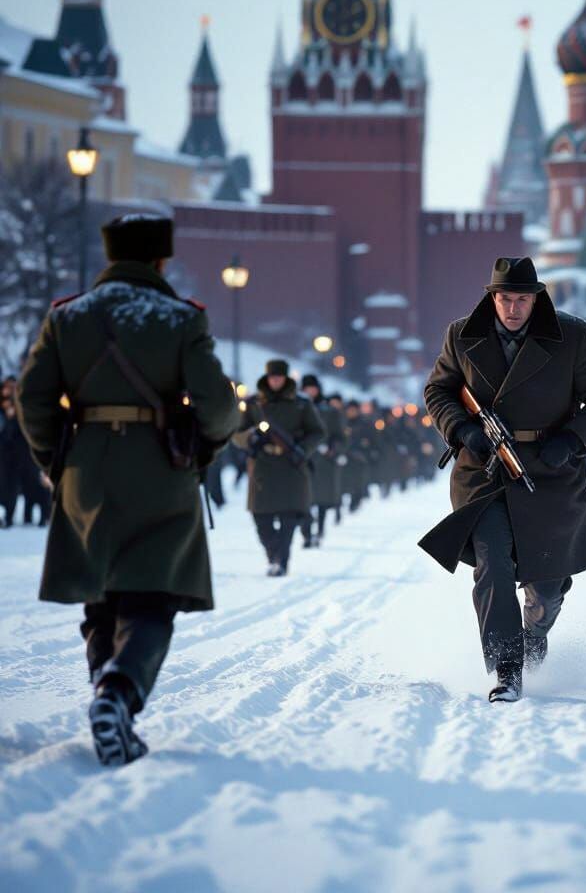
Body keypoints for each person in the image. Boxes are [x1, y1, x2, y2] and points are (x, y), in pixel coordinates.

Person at [15, 213, 239, 765]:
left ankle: (105, 690)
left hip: (85, 470)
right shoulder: (180, 318)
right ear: (161, 260)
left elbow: (31, 398)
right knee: (153, 594)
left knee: (101, 593)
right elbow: (218, 407)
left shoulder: (67, 317)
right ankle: (118, 693)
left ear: (111, 256)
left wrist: (57, 459)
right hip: (160, 468)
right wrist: (201, 452)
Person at [421, 256, 586, 703]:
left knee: (547, 587)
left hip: (550, 472)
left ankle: (534, 633)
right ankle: (507, 669)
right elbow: (438, 390)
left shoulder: (573, 336)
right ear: (492, 298)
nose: (513, 309)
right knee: (493, 565)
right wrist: (462, 429)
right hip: (484, 471)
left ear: (537, 299)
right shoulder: (462, 334)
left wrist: (572, 440)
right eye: (505, 299)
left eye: (522, 300)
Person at [234, 360, 325, 576]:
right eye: (272, 377)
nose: (275, 381)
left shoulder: (301, 403)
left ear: (285, 378)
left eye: (279, 377)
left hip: (291, 466)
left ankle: (281, 561)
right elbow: (237, 431)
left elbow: (317, 432)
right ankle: (273, 554)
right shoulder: (254, 403)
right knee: (261, 518)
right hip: (263, 466)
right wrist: (251, 438)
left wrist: (302, 449)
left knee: (289, 518)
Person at [299, 374, 346, 548]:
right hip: (302, 459)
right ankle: (306, 533)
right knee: (303, 500)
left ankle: (319, 531)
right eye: (306, 389)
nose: (310, 392)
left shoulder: (329, 411)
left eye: (312, 388)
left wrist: (332, 449)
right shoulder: (297, 408)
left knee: (321, 501)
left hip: (324, 461)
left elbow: (339, 436)